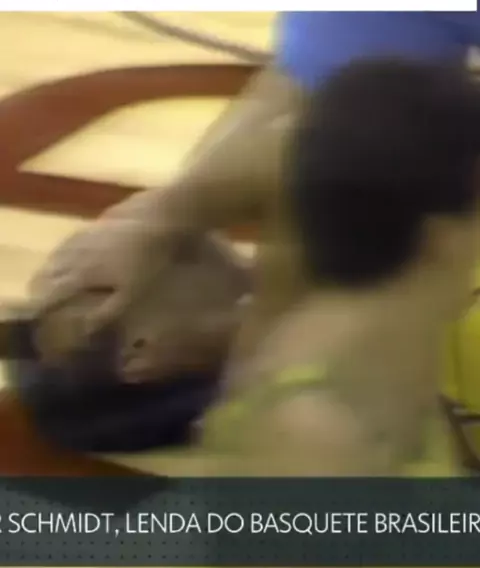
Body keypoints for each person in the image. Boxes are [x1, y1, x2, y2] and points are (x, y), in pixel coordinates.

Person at [31, 58, 480, 477]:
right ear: (140, 354)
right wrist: (162, 216)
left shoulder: (313, 269)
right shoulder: (320, 426)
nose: (95, 257)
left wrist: (162, 214)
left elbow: (313, 121)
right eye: (91, 286)